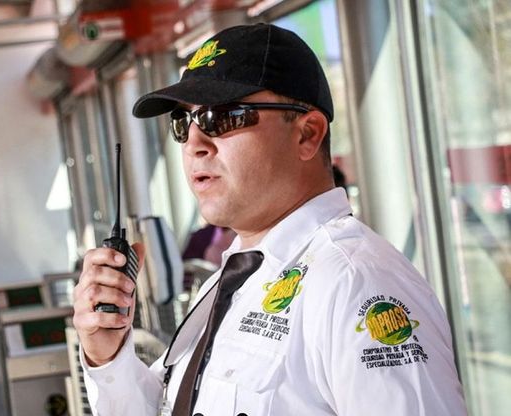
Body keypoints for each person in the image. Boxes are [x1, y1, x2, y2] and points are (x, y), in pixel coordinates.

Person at [72, 23, 467, 415]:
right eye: (183, 123)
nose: (194, 144)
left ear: (307, 134)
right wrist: (108, 357)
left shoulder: (354, 282)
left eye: (222, 117)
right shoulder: (232, 279)